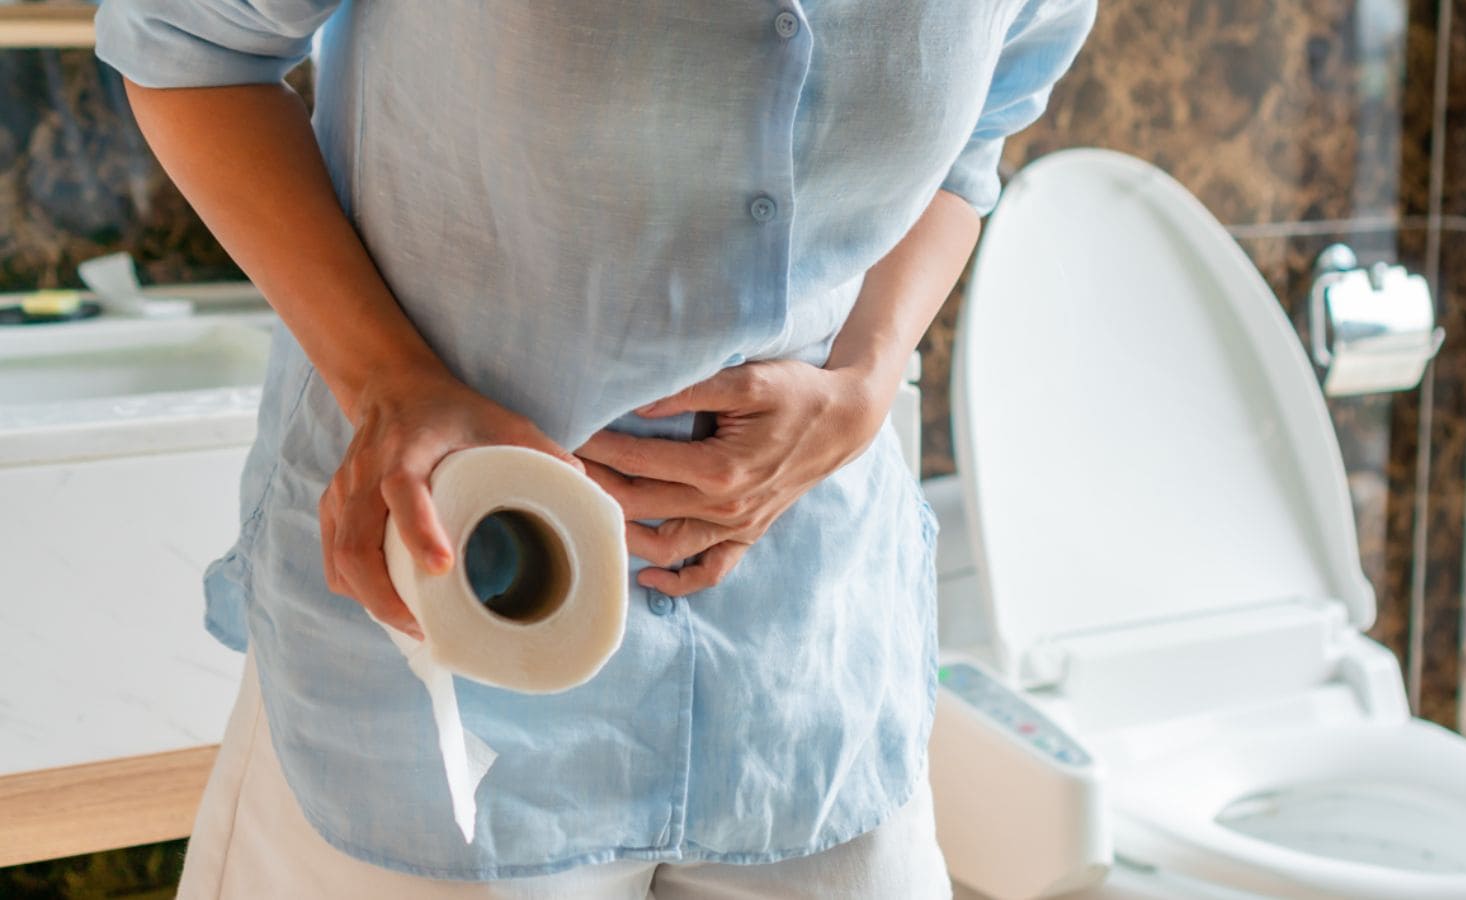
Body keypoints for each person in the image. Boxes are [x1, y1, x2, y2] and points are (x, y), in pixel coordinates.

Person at [93, 2, 1095, 897]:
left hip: (802, 667)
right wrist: (387, 377)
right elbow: (182, 48)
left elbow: (982, 131)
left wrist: (870, 374)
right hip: (441, 653)